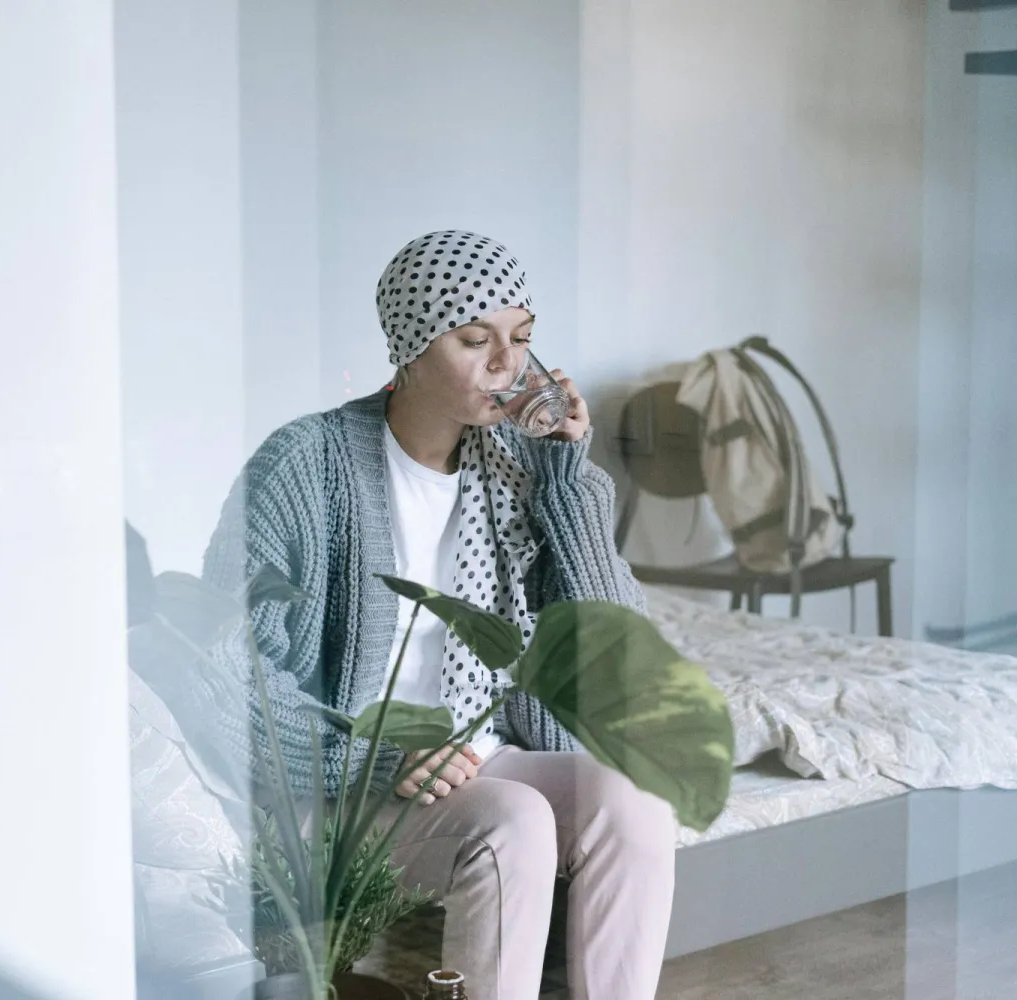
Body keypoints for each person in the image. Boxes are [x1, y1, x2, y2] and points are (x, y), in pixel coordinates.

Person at [201, 230, 675, 1000]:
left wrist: (566, 480)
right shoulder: (304, 465)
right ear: (412, 349)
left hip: (480, 759)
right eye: (475, 340)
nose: (507, 363)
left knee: (635, 800)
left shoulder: (525, 469)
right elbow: (224, 673)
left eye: (521, 337)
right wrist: (378, 754)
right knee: (514, 820)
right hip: (339, 782)